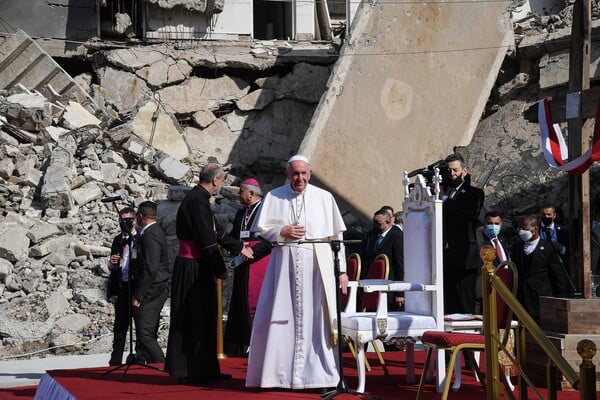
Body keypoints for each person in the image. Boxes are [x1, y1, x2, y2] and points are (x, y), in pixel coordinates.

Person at [245, 155, 349, 391]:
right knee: (280, 317)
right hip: (284, 266)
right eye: (295, 174)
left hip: (317, 264)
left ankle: (320, 377)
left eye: (303, 173)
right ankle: (278, 376)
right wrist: (282, 230)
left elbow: (336, 238)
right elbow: (261, 230)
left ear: (310, 174)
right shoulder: (274, 196)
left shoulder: (324, 197)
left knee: (317, 320)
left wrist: (341, 270)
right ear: (287, 174)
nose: (299, 178)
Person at [165, 163, 254, 384]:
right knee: (197, 318)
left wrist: (238, 247)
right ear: (216, 180)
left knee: (201, 317)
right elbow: (207, 240)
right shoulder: (198, 201)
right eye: (222, 181)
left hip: (194, 264)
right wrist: (220, 268)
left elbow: (217, 232)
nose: (221, 185)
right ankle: (195, 371)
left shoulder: (198, 199)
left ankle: (202, 369)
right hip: (194, 266)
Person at [224, 178, 272, 356]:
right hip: (242, 263)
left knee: (255, 304)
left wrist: (251, 251)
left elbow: (270, 238)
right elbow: (237, 237)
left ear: (251, 193)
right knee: (239, 302)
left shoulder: (267, 211)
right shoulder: (240, 213)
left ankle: (256, 343)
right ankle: (239, 346)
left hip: (258, 263)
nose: (238, 194)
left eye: (241, 191)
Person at [441, 153, 484, 314]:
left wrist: (445, 199)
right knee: (448, 301)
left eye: (455, 170)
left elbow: (468, 214)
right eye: (449, 171)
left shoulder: (474, 193)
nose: (452, 174)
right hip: (445, 257)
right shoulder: (443, 192)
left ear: (464, 170)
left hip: (465, 257)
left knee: (465, 300)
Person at [130, 201, 171, 364]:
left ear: (140, 216)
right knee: (147, 331)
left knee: (145, 333)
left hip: (153, 290)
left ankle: (162, 367)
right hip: (156, 287)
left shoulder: (151, 234)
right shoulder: (155, 231)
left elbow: (150, 268)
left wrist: (138, 295)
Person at [511, 215, 572, 322]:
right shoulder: (517, 248)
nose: (521, 232)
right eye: (521, 229)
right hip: (521, 300)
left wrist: (559, 299)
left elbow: (558, 276)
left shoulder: (548, 248)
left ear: (535, 229)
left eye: (525, 229)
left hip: (540, 300)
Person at [107, 207, 137, 366]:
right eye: (120, 220)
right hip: (121, 286)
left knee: (139, 324)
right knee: (119, 325)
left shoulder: (139, 238)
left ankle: (141, 357)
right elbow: (112, 264)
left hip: (136, 286)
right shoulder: (118, 239)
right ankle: (116, 359)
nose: (122, 224)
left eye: (126, 220)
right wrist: (111, 263)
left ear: (133, 220)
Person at [359, 208, 404, 310]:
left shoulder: (397, 236)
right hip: (372, 287)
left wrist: (400, 292)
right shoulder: (372, 237)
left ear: (387, 222)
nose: (375, 225)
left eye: (378, 222)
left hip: (389, 288)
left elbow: (400, 265)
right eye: (374, 222)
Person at [474, 210, 509, 314]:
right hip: (487, 288)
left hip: (504, 288)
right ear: (484, 223)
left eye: (496, 224)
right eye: (490, 223)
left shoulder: (503, 242)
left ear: (501, 224)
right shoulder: (480, 241)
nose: (493, 226)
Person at [539, 205, 569, 271]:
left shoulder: (564, 231)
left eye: (549, 214)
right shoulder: (536, 230)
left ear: (554, 215)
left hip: (559, 268)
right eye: (544, 214)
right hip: (541, 269)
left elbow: (570, 252)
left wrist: (561, 248)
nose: (546, 217)